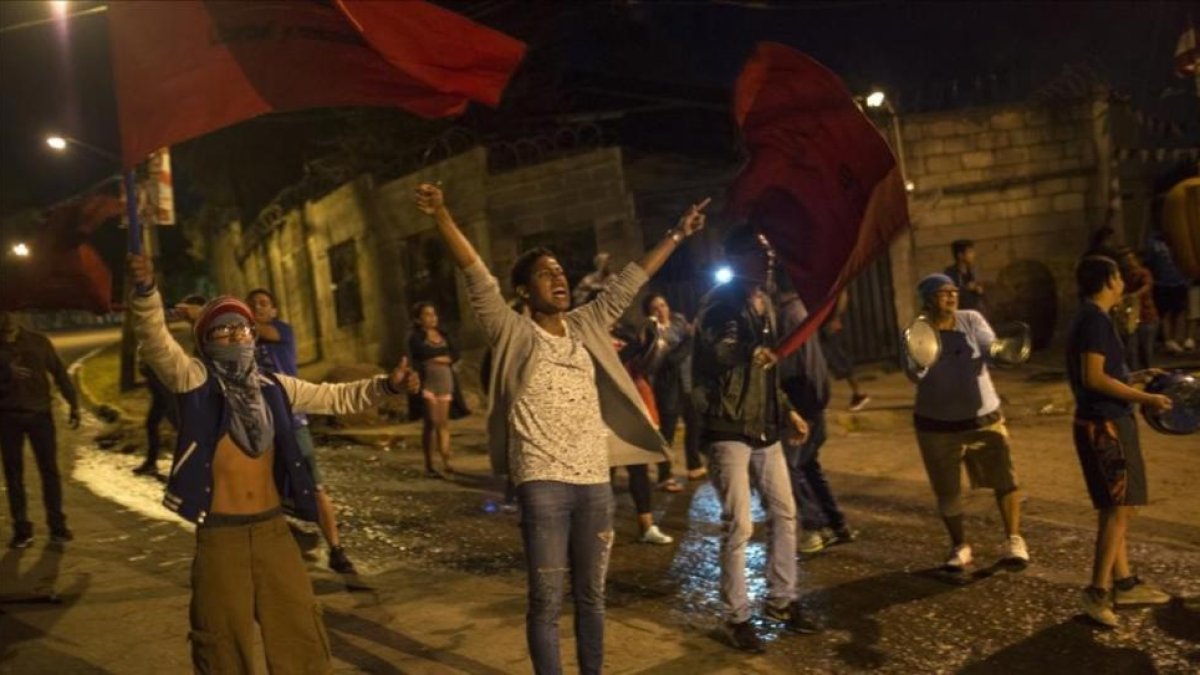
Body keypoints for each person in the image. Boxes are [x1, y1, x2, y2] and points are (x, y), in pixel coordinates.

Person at [415, 183, 702, 675]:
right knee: (547, 600)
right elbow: (475, 273)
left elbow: (631, 281)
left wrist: (678, 233)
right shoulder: (511, 329)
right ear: (525, 291)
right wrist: (442, 214)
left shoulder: (589, 322)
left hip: (594, 482)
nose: (559, 278)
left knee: (592, 598)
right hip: (541, 482)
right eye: (545, 274)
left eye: (561, 272)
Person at [127, 254, 419, 673]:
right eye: (221, 328)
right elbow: (154, 340)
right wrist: (145, 292)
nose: (234, 335)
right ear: (205, 339)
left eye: (241, 327)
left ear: (254, 336)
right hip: (220, 539)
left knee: (301, 638)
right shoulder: (195, 381)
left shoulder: (273, 387)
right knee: (223, 647)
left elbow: (334, 397)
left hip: (273, 532)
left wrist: (386, 386)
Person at [693, 227, 817, 653]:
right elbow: (718, 352)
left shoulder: (762, 304)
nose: (767, 257)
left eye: (769, 250)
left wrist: (788, 412)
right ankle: (737, 616)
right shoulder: (720, 301)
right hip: (726, 426)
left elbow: (764, 372)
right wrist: (746, 344)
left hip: (763, 426)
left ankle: (783, 600)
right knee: (739, 525)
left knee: (785, 513)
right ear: (736, 254)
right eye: (757, 251)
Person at [1067, 256, 1174, 628]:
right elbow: (1093, 378)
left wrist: (1139, 377)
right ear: (1110, 280)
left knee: (1121, 505)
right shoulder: (1095, 320)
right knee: (1117, 507)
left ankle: (1124, 583)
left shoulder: (1091, 317)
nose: (1122, 281)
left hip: (1106, 420)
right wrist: (1146, 399)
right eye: (1118, 275)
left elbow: (1105, 373)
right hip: (1105, 424)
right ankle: (1096, 592)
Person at [902, 274, 1030, 573]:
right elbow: (913, 374)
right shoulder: (916, 332)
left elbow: (990, 347)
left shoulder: (970, 320)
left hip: (983, 418)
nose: (951, 296)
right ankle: (959, 546)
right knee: (947, 490)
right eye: (942, 292)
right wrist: (922, 358)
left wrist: (1004, 352)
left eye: (953, 291)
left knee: (1005, 479)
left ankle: (1014, 540)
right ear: (928, 299)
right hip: (936, 425)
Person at [246, 287, 359, 575]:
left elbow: (262, 331)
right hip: (261, 426)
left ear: (274, 311)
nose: (258, 308)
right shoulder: (244, 342)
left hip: (293, 421)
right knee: (264, 490)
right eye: (252, 305)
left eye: (263, 304)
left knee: (315, 485)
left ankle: (336, 549)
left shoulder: (281, 331)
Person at [775, 280, 856, 555]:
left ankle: (814, 527)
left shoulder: (788, 315)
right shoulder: (802, 310)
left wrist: (793, 409)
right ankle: (837, 524)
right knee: (808, 464)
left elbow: (790, 364)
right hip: (813, 396)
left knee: (790, 465)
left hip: (802, 398)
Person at [0, 310, 80, 548]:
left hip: (40, 415)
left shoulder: (38, 342)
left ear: (20, 316)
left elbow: (59, 373)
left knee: (50, 472)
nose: (7, 318)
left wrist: (73, 404)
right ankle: (22, 529)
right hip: (7, 417)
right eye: (3, 313)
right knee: (14, 475)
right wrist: (6, 373)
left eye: (12, 313)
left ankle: (57, 526)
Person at [610, 322, 674, 545]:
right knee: (606, 472)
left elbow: (647, 366)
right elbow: (610, 365)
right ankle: (602, 527)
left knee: (639, 469)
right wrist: (635, 345)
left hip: (637, 405)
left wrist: (651, 342)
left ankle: (646, 526)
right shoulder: (589, 336)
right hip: (608, 409)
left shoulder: (625, 333)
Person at [134, 294, 207, 476]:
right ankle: (153, 462)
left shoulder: (205, 327)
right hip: (162, 386)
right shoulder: (190, 329)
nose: (182, 313)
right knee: (155, 423)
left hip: (174, 388)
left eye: (187, 308)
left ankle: (196, 465)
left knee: (182, 426)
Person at [407, 301, 469, 478]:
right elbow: (421, 354)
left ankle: (446, 461)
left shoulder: (444, 335)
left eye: (433, 314)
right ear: (419, 319)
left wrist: (440, 359)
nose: (432, 318)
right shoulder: (416, 337)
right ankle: (429, 463)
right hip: (428, 384)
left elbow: (455, 355)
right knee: (431, 422)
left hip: (446, 382)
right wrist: (441, 358)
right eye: (427, 314)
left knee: (443, 424)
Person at [640, 293, 695, 489]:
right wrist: (686, 342)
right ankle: (664, 475)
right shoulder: (652, 330)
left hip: (687, 381)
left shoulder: (678, 321)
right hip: (666, 386)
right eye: (655, 307)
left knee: (694, 423)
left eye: (663, 305)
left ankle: (694, 465)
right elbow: (662, 360)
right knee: (667, 432)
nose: (661, 310)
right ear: (649, 312)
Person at [819, 289, 870, 411]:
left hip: (826, 324)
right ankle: (856, 394)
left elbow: (842, 295)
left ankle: (858, 394)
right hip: (822, 323)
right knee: (828, 359)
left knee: (837, 358)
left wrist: (834, 318)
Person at [1144, 229, 1192, 354]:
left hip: (1180, 280)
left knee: (1181, 311)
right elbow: (1149, 261)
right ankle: (1169, 340)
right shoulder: (1153, 242)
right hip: (1162, 282)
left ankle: (1179, 339)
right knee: (1166, 312)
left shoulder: (1181, 237)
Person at [1115, 248, 1157, 371]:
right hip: (1129, 319)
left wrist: (1133, 296)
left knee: (1146, 351)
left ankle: (1148, 375)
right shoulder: (1122, 276)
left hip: (1146, 316)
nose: (1128, 262)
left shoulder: (1143, 273)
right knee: (1131, 351)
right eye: (1125, 260)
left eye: (1130, 259)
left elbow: (1147, 286)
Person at [944, 239, 985, 312]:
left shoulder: (973, 271)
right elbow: (949, 294)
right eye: (970, 252)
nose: (973, 255)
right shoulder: (950, 273)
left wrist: (979, 290)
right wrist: (965, 288)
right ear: (960, 255)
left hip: (974, 312)